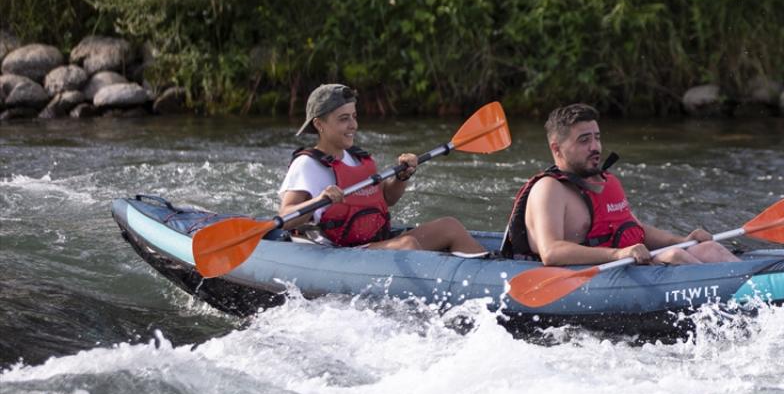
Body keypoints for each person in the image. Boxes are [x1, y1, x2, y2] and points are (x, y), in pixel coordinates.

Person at [501, 103, 737, 266]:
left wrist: (682, 240)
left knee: (709, 249)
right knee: (675, 256)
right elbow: (551, 253)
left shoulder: (605, 181)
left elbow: (633, 228)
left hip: (627, 265)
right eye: (584, 140)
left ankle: (762, 293)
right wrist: (618, 254)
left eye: (597, 137)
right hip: (596, 276)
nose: (595, 147)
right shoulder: (549, 189)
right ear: (556, 148)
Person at [279, 83, 486, 254]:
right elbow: (286, 217)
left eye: (354, 116)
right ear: (319, 124)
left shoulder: (358, 158)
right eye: (343, 119)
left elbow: (386, 199)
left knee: (450, 226)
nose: (353, 125)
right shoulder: (307, 165)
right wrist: (318, 201)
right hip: (340, 252)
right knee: (407, 245)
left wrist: (401, 177)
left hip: (374, 242)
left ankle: (488, 278)